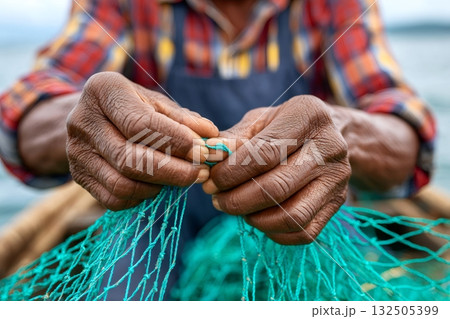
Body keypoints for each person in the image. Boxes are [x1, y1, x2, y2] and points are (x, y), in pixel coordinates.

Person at [0, 0, 435, 297]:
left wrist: (341, 129)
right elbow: (26, 108)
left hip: (300, 207)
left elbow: (405, 128)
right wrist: (82, 118)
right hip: (148, 216)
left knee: (341, 289)